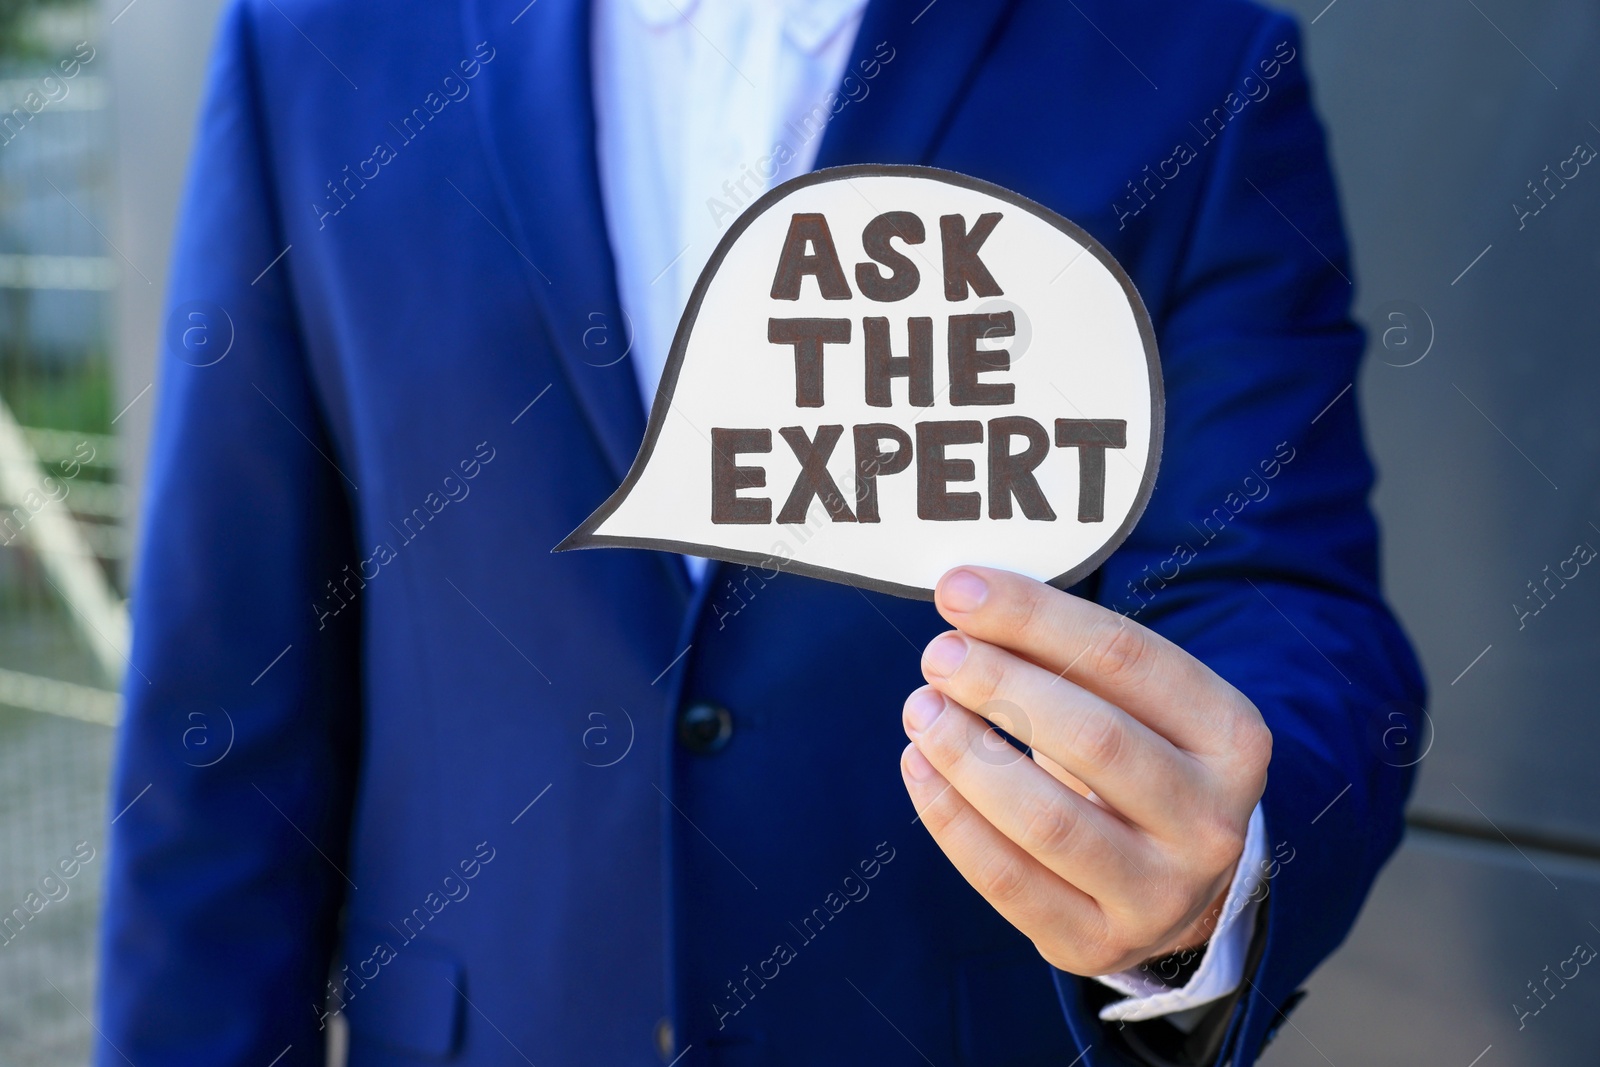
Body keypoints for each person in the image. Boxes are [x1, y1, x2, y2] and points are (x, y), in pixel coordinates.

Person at [97, 0, 1425, 1064]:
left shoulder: (1187, 55)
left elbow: (1280, 589)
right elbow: (230, 702)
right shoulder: (315, 42)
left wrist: (1207, 863)